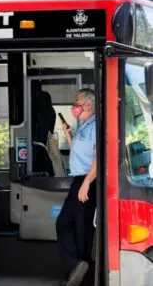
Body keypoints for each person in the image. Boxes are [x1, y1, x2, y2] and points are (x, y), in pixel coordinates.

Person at [55, 88, 97, 286]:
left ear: (88, 103)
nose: (74, 105)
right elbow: (78, 153)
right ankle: (77, 265)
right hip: (79, 181)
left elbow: (99, 158)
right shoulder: (83, 126)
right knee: (64, 224)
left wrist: (87, 183)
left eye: (77, 101)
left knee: (82, 232)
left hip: (88, 181)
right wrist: (69, 135)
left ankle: (84, 277)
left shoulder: (96, 126)